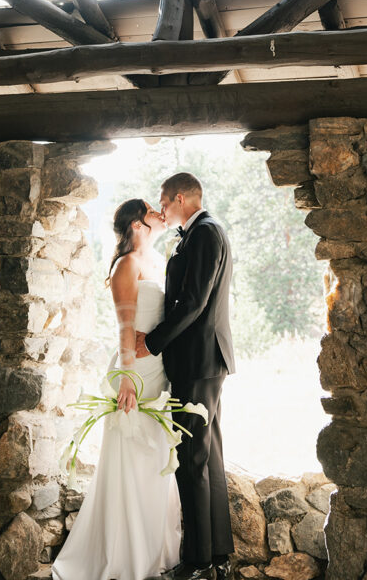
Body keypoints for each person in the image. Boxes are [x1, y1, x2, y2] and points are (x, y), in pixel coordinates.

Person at [52, 199, 181, 580]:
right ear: (137, 224)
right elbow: (125, 326)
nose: (159, 212)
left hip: (158, 370)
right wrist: (127, 377)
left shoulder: (155, 260)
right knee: (131, 461)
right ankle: (125, 555)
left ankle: (154, 550)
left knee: (155, 459)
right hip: (135, 373)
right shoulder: (126, 264)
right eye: (151, 209)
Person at [136, 172, 235, 580]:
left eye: (163, 202)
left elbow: (193, 301)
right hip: (204, 362)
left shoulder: (205, 233)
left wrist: (152, 342)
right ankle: (217, 555)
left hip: (198, 362)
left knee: (191, 461)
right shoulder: (202, 232)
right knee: (207, 457)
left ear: (180, 198)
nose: (161, 211)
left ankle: (197, 562)